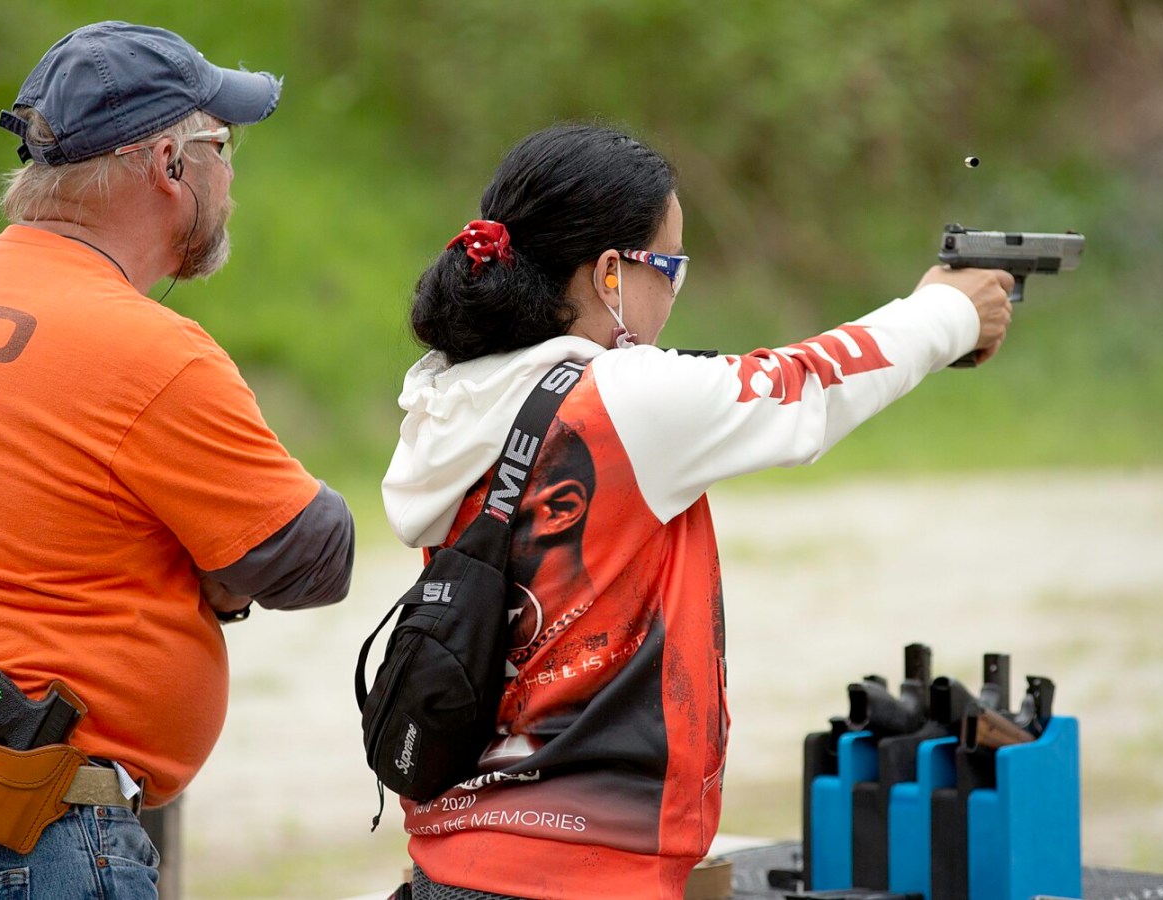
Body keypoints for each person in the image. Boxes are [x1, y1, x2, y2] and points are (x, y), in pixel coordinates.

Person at [382, 124, 1012, 900]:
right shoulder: (619, 400)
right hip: (579, 874)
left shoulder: (452, 399)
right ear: (610, 274)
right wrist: (949, 312)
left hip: (453, 862)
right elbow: (806, 388)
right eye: (669, 267)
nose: (675, 294)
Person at [0, 21, 354, 897]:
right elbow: (313, 555)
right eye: (222, 146)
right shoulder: (151, 354)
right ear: (169, 165)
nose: (230, 176)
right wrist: (205, 560)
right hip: (46, 839)